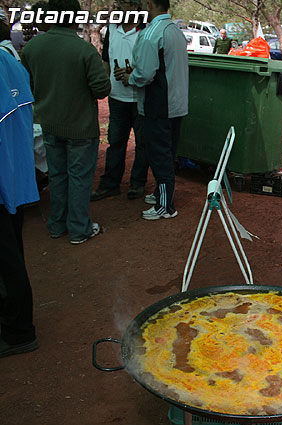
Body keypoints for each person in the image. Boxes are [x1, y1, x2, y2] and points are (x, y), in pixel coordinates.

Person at [22, 0, 111, 245]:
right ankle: (79, 229)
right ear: (75, 18)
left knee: (57, 176)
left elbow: (26, 84)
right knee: (79, 178)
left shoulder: (33, 47)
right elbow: (102, 89)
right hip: (80, 127)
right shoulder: (83, 49)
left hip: (49, 123)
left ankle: (57, 224)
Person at [115, 0, 188, 220]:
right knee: (168, 151)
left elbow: (145, 75)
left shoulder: (151, 33)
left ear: (149, 4)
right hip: (176, 103)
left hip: (158, 105)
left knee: (159, 155)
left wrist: (130, 77)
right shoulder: (175, 30)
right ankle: (161, 194)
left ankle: (165, 205)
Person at [0, 46, 40, 358]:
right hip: (13, 179)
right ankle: (16, 324)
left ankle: (18, 331)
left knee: (6, 260)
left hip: (6, 180)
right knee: (11, 251)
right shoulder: (11, 63)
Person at [91, 0, 149, 201]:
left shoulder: (146, 30)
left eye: (133, 3)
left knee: (142, 143)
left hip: (141, 96)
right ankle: (110, 183)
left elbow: (152, 64)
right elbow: (106, 60)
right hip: (117, 97)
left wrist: (134, 73)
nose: (128, 7)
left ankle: (137, 183)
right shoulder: (112, 29)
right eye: (124, 3)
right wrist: (104, 86)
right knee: (115, 141)